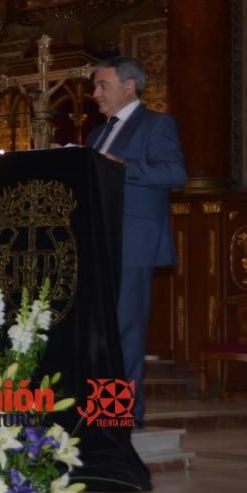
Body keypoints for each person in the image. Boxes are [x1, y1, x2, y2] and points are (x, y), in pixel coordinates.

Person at [88, 56, 187, 427]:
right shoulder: (96, 135)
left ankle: (122, 416)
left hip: (132, 242)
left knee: (125, 330)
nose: (95, 93)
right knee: (99, 330)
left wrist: (122, 167)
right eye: (96, 86)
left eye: (103, 85)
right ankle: (99, 410)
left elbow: (175, 173)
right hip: (97, 242)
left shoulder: (156, 125)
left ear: (129, 86)